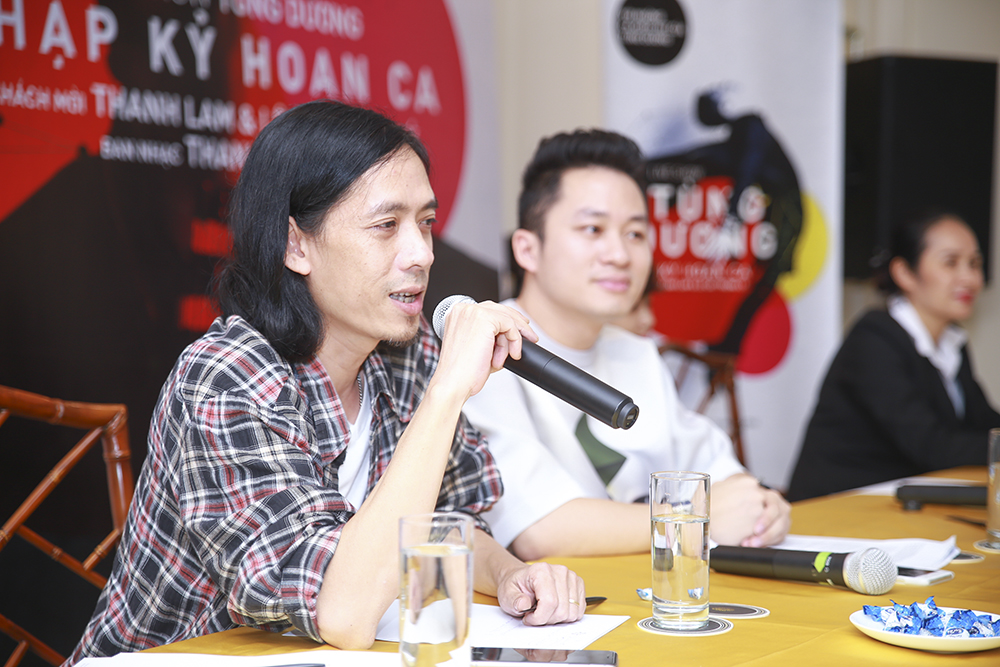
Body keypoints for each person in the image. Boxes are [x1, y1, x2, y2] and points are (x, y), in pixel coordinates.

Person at [66, 101, 585, 663]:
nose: (421, 254)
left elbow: (445, 524)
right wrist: (446, 393)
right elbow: (341, 611)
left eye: (426, 223)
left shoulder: (406, 358)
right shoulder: (226, 378)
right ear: (296, 244)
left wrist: (509, 575)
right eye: (386, 226)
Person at [461, 129, 790, 561]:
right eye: (593, 229)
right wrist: (693, 517)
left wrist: (761, 506)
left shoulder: (635, 352)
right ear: (527, 249)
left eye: (635, 234)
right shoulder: (487, 351)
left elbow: (721, 474)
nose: (619, 254)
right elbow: (539, 530)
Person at [787, 211, 1000, 501]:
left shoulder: (952, 343)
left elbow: (984, 423)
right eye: (951, 262)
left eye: (975, 263)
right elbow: (931, 446)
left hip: (902, 501)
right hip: (839, 505)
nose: (971, 278)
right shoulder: (874, 338)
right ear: (904, 273)